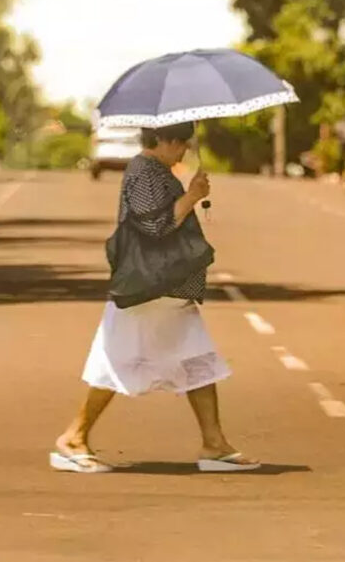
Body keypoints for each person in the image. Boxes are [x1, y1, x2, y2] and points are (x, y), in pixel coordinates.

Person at [51, 121, 260, 474]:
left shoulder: (155, 170)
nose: (184, 152)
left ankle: (214, 443)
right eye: (181, 145)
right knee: (116, 362)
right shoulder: (142, 171)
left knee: (198, 360)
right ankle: (73, 438)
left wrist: (191, 193)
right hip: (146, 289)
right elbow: (153, 227)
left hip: (166, 290)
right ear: (163, 140)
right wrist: (191, 196)